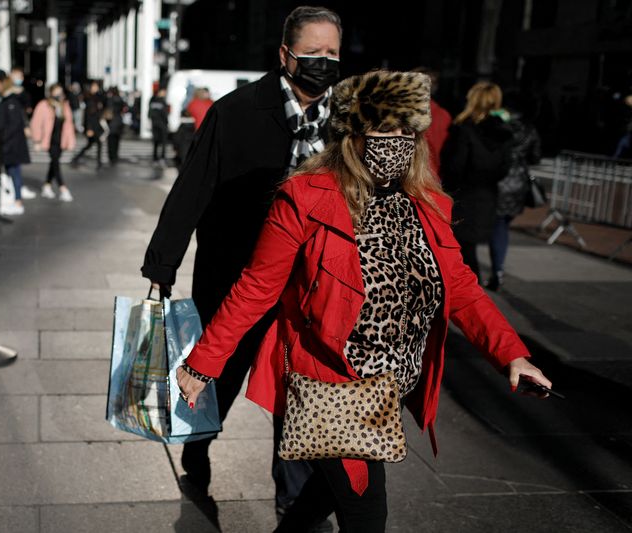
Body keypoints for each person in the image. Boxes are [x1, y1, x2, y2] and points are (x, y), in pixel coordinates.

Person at [175, 70, 553, 533]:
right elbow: (257, 286)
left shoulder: (427, 204)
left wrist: (511, 353)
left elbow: (461, 286)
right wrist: (203, 363)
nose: (395, 141)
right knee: (365, 514)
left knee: (323, 494)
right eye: (382, 129)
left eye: (405, 131)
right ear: (352, 135)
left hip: (391, 384)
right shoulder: (304, 196)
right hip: (330, 379)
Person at [142, 5, 342, 527]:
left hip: (309, 290)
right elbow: (192, 188)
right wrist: (163, 263)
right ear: (285, 55)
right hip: (234, 275)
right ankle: (198, 448)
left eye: (332, 53)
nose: (324, 62)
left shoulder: (346, 123)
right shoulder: (235, 112)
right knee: (217, 377)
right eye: (313, 52)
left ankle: (293, 499)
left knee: (297, 391)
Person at [441, 82, 513, 284]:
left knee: (462, 249)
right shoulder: (504, 133)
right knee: (468, 247)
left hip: (463, 195)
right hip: (487, 195)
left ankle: (472, 291)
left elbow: (455, 165)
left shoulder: (464, 129)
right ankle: (474, 288)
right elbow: (505, 167)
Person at [488, 92, 542, 290]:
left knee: (496, 227)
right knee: (502, 226)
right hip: (518, 182)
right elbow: (535, 157)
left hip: (499, 180)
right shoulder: (529, 129)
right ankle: (498, 268)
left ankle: (496, 270)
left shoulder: (498, 126)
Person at [31, 83, 77, 202]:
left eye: (60, 92)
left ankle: (47, 186)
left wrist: (71, 141)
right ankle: (63, 188)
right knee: (55, 162)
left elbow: (69, 125)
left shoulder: (64, 106)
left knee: (54, 163)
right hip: (49, 139)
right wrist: (37, 140)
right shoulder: (43, 105)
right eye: (56, 92)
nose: (58, 94)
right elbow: (36, 123)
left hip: (60, 139)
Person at [0, 77, 31, 215]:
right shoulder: (4, 101)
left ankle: (17, 200)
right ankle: (14, 199)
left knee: (14, 172)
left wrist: (1, 137)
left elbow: (13, 125)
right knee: (10, 172)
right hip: (9, 144)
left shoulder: (11, 102)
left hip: (12, 144)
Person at [70, 80, 106, 169]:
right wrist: (89, 128)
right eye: (93, 86)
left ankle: (97, 161)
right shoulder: (89, 98)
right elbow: (88, 115)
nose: (95, 88)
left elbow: (101, 107)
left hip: (97, 124)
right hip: (91, 125)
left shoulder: (98, 97)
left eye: (96, 87)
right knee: (94, 143)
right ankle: (98, 162)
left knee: (94, 144)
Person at [149, 87, 169, 164]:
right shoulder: (163, 101)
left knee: (156, 141)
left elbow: (150, 113)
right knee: (163, 141)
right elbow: (165, 114)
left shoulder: (152, 100)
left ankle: (155, 157)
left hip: (154, 123)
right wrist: (167, 123)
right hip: (162, 124)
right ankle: (162, 157)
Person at [106, 87, 126, 165]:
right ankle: (115, 156)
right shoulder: (120, 99)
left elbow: (108, 110)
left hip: (111, 122)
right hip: (119, 121)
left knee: (111, 141)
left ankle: (111, 156)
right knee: (117, 141)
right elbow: (124, 109)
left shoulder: (110, 100)